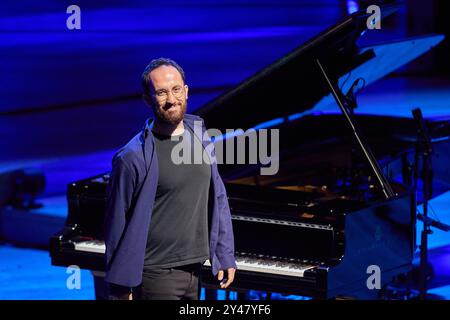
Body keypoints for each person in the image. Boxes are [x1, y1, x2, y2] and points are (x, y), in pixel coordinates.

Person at [103, 57, 236, 300]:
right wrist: (121, 287)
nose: (171, 100)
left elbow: (218, 196)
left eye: (176, 90)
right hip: (155, 275)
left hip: (197, 270)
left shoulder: (200, 136)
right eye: (162, 93)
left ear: (186, 91)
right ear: (147, 99)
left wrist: (224, 255)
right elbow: (116, 224)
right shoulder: (131, 157)